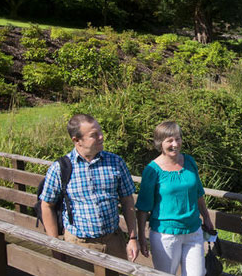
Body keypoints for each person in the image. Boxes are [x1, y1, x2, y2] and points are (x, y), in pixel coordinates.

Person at [39, 114, 139, 261]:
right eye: (94, 135)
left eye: (100, 132)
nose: (101, 137)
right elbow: (47, 205)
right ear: (76, 140)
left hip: (114, 242)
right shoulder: (60, 168)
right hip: (79, 245)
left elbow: (127, 201)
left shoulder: (116, 162)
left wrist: (133, 238)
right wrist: (55, 245)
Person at [136, 121, 214, 275]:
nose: (175, 144)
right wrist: (141, 237)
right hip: (166, 234)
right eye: (169, 140)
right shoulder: (152, 170)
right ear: (160, 143)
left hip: (193, 231)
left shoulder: (189, 162)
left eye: (177, 139)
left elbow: (198, 192)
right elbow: (143, 207)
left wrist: (206, 216)